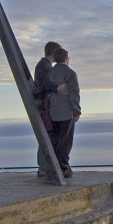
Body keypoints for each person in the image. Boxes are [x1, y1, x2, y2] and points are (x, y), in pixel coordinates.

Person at [33, 41, 68, 177]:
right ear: (54, 53)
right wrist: (57, 88)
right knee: (46, 137)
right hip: (44, 107)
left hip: (45, 106)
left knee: (48, 136)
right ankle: (43, 167)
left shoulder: (44, 66)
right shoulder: (43, 66)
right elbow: (44, 84)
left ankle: (45, 166)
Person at [45, 47, 81, 178]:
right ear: (66, 59)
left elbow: (46, 88)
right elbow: (74, 94)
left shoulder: (50, 72)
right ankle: (64, 168)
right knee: (65, 142)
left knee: (55, 140)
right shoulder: (70, 73)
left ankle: (54, 167)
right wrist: (76, 111)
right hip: (67, 113)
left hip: (53, 112)